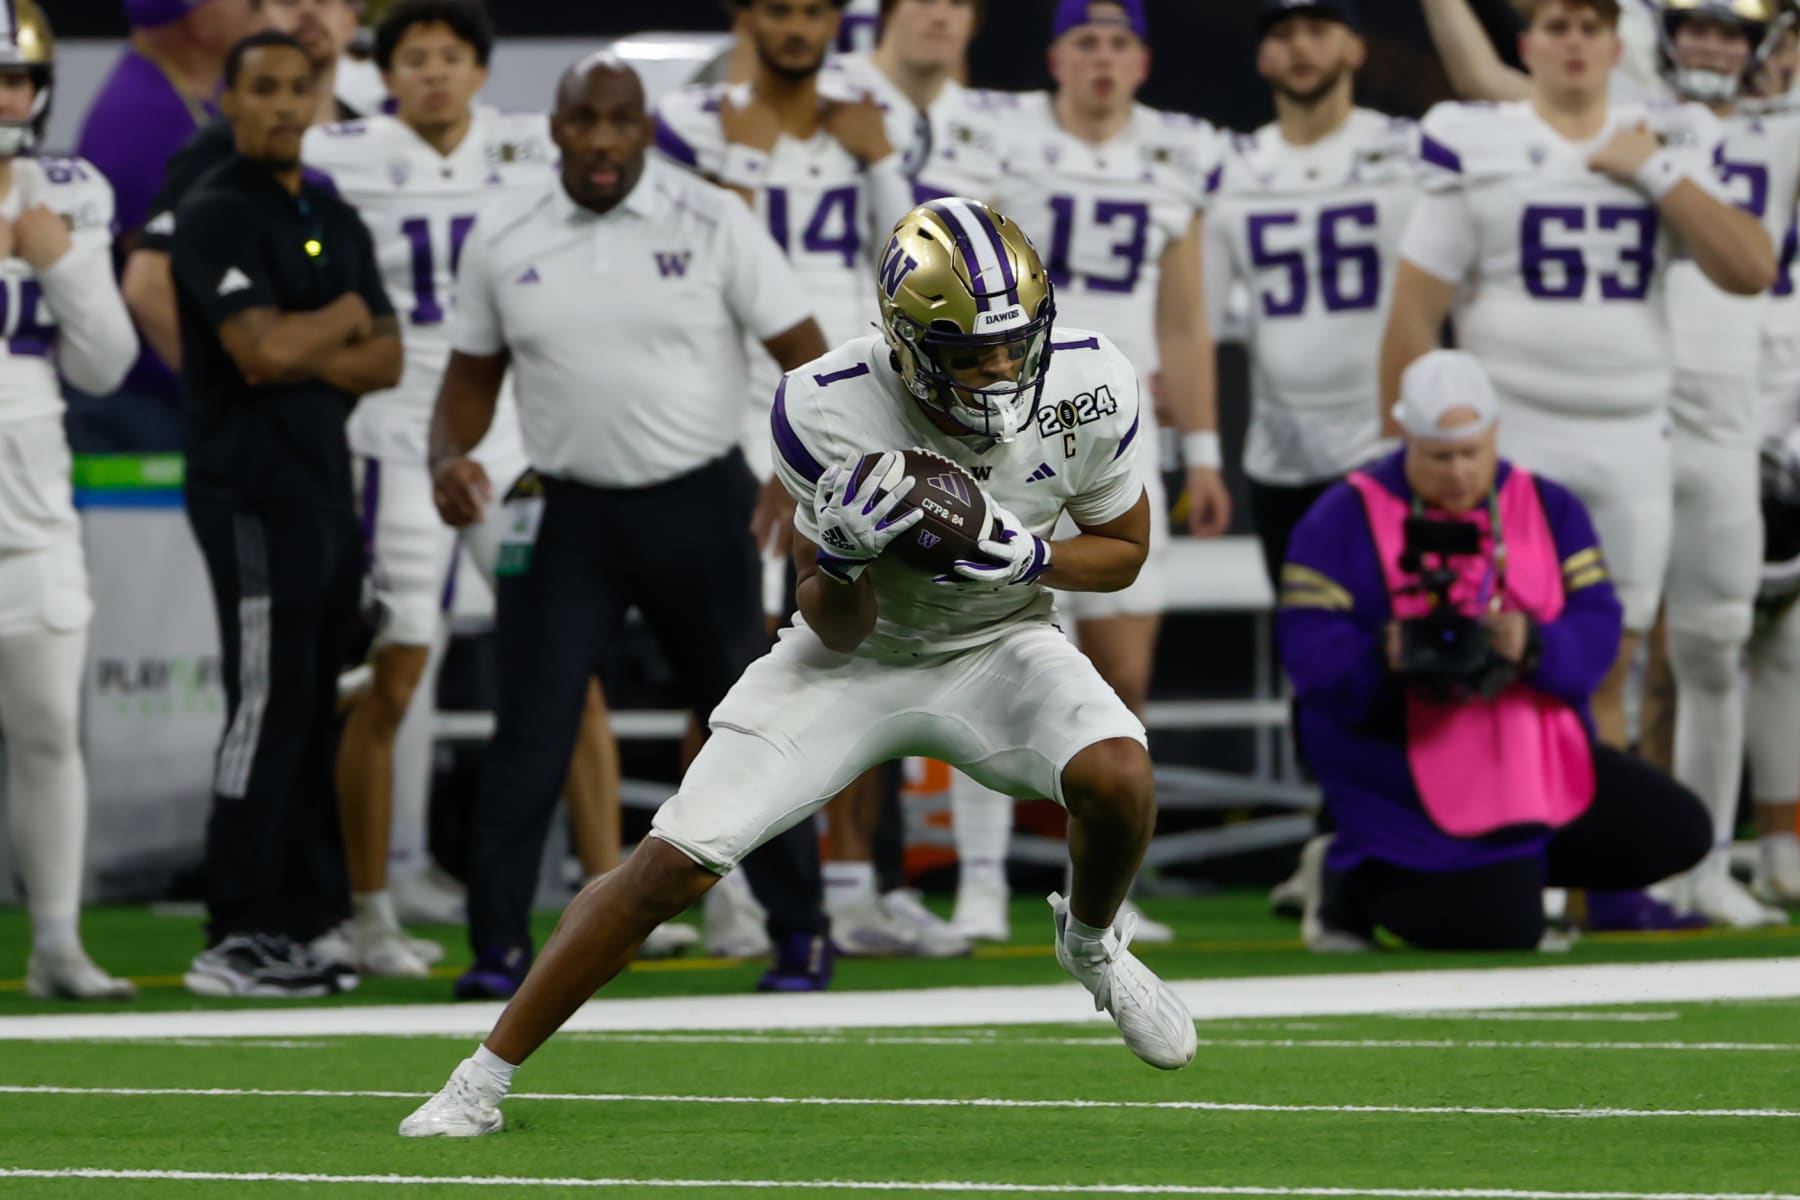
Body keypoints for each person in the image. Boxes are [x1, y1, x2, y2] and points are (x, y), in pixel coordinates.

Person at [399, 194, 1199, 1137]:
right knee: (670, 867)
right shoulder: (827, 404)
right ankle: (481, 1079)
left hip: (1000, 640)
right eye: (968, 354)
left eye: (1013, 344)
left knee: (1120, 776)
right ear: (905, 342)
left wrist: (1028, 557)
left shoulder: (1091, 378)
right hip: (851, 667)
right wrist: (851, 557)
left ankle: (1095, 944)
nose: (997, 370)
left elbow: (1126, 548)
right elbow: (838, 623)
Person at [423, 54, 828, 1000]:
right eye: (583, 122)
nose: (602, 141)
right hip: (565, 512)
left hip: (701, 503)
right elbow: (469, 379)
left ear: (645, 129)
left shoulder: (714, 215)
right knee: (529, 730)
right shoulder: (503, 228)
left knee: (753, 726)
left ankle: (803, 934)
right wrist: (448, 457)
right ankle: (496, 951)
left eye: (620, 122)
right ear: (554, 128)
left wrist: (791, 474)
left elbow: (809, 359)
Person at [1409, 0, 1793, 927]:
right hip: (1597, 412)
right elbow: (1505, 88)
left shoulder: (1706, 132)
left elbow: (1752, 261)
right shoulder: (1573, 115)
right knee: (1550, 643)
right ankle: (1542, 856)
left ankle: (1687, 863)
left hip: (1717, 412)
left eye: (1735, 32)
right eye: (1697, 26)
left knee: (1694, 644)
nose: (1712, 44)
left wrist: (1656, 162)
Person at [655, 0, 933, 968]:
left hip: (856, 411)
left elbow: (919, 267)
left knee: (869, 647)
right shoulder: (696, 121)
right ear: (748, 18)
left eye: (814, 9)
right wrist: (743, 161)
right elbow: (687, 259)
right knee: (727, 659)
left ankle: (853, 886)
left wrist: (883, 162)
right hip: (725, 414)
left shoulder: (868, 124)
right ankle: (720, 884)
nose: (797, 26)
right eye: (779, 8)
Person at [948, 0, 1227, 944]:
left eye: (1119, 43)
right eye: (1085, 42)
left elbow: (1185, 320)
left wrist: (1208, 449)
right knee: (977, 649)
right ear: (1055, 57)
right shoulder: (997, 138)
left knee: (1122, 672)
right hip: (1008, 416)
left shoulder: (1173, 154)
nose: (1102, 60)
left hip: (1116, 426)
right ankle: (980, 883)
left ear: (1143, 61)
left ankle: (1101, 895)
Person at [1282, 351, 1712, 952]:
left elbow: (1598, 625)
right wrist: (1384, 656)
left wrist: (1534, 643)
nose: (1457, 473)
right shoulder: (1343, 515)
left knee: (1679, 831)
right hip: (1400, 765)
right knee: (1503, 932)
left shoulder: (1549, 506)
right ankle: (1349, 876)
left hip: (1527, 750)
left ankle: (1512, 869)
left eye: (1471, 454)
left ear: (1496, 435)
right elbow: (1306, 648)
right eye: (1438, 457)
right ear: (1406, 437)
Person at [171, 31, 402, 998]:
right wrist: (338, 318)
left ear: (316, 99)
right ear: (228, 99)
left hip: (320, 484)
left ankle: (301, 923)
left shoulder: (332, 214)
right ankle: (236, 928)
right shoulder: (213, 209)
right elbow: (256, 353)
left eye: (294, 89)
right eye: (259, 88)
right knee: (266, 702)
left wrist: (320, 333)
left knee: (317, 701)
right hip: (248, 489)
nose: (278, 104)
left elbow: (386, 358)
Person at [0, 0, 141, 1001]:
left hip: (30, 502)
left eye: (18, 79)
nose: (8, 98)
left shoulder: (65, 194)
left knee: (48, 723)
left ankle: (56, 940)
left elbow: (107, 366)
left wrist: (60, 268)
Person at [1206, 0, 1410, 588]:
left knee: (1392, 641)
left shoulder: (1410, 151)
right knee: (1306, 641)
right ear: (1263, 57)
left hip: (1386, 441)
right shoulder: (1230, 166)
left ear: (1356, 47)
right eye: (1284, 33)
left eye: (1318, 30)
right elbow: (1203, 311)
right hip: (1280, 447)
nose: (1300, 46)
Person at [123, 0, 369, 377]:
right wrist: (224, 392)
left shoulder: (373, 139)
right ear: (256, 19)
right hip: (264, 415)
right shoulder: (220, 147)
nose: (307, 12)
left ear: (352, 19)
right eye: (288, 1)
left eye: (323, 0)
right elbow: (147, 286)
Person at [73, 0, 262, 453]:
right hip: (155, 401)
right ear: (198, 19)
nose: (258, 12)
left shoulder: (203, 90)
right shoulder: (137, 116)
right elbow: (156, 292)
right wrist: (234, 396)